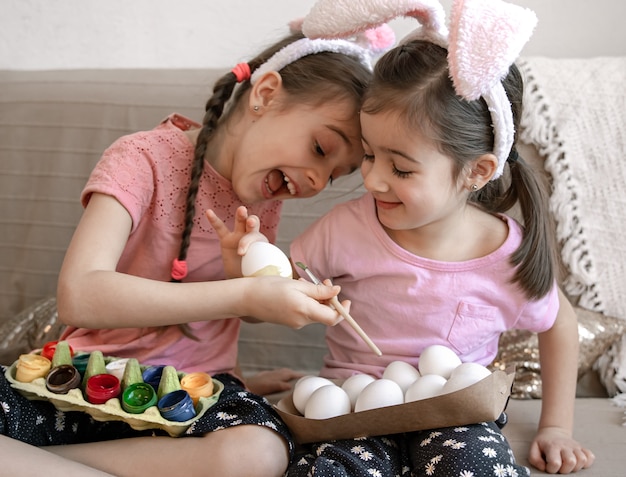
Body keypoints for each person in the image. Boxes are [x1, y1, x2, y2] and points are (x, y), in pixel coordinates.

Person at [0, 12, 392, 477]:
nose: (315, 181)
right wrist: (242, 292)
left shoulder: (263, 195)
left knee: (260, 452)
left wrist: (243, 365)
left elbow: (231, 313)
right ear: (265, 95)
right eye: (322, 150)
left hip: (197, 394)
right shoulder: (142, 158)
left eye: (333, 176)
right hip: (91, 380)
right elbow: (79, 296)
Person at [219, 0, 597, 475]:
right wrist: (248, 279)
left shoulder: (506, 254)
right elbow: (278, 299)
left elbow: (557, 324)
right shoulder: (344, 230)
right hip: (351, 410)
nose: (373, 180)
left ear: (475, 172)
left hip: (458, 413)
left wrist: (555, 426)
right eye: (370, 154)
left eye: (400, 167)